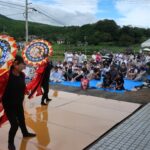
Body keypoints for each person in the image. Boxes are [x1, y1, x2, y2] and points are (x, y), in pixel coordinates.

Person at [2, 55, 36, 150]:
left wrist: (26, 90)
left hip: (18, 102)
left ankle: (25, 133)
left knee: (21, 119)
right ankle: (10, 143)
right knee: (14, 124)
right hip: (9, 104)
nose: (25, 66)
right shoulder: (6, 75)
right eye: (23, 64)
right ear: (16, 64)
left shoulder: (22, 75)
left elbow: (21, 85)